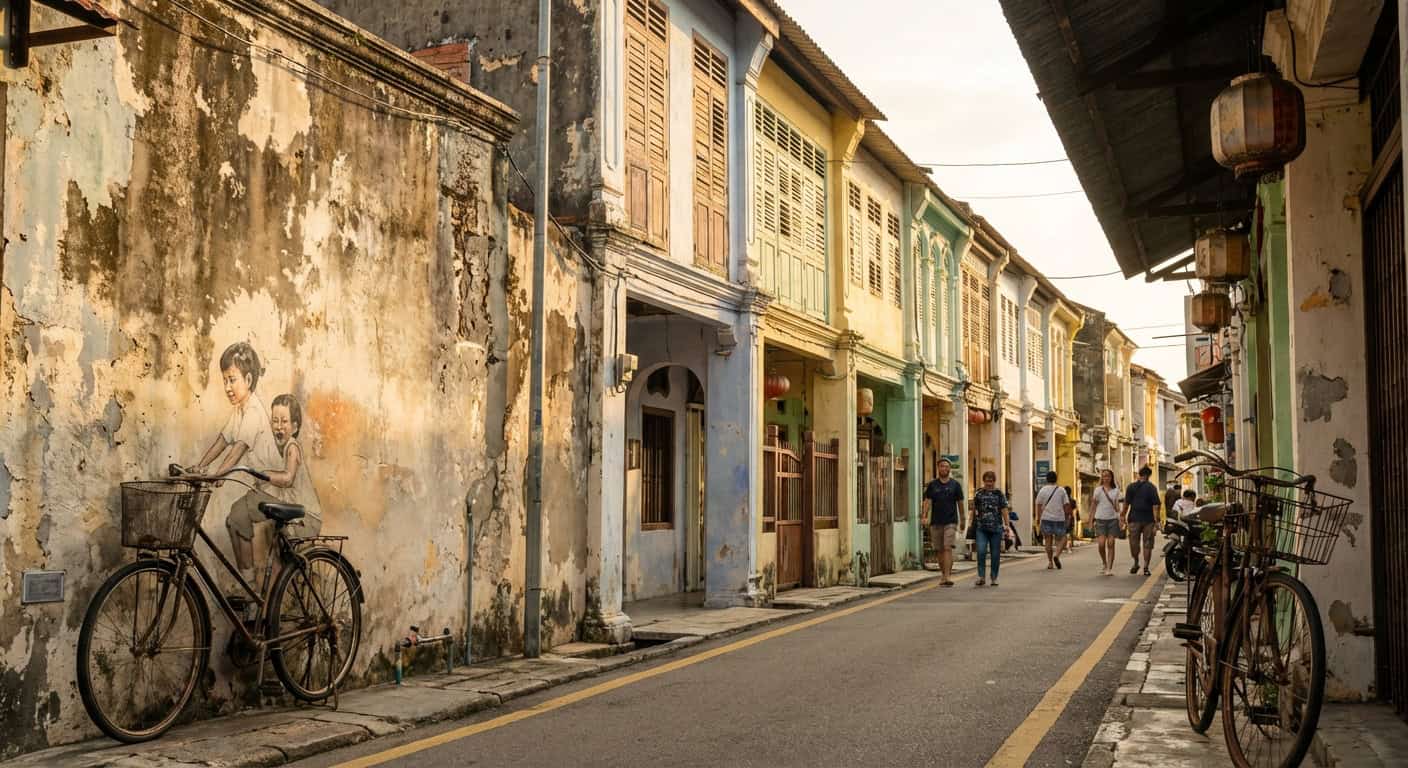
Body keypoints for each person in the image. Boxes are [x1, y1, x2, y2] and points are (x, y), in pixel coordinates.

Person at [192, 342, 282, 586]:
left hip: (275, 490)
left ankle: (249, 588)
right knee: (235, 521)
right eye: (224, 381)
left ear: (249, 379)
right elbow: (224, 440)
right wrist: (199, 466)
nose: (227, 387)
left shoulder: (254, 411)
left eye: (232, 380)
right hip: (262, 489)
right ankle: (249, 585)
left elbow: (238, 449)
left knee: (237, 517)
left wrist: (218, 474)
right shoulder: (240, 411)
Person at [922, 459, 964, 588]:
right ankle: (943, 574)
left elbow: (960, 503)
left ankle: (947, 576)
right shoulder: (932, 485)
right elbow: (927, 501)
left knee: (947, 548)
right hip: (936, 522)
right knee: (939, 550)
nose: (944, 468)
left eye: (946, 466)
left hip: (951, 521)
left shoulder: (955, 485)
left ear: (949, 469)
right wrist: (924, 516)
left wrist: (962, 519)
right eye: (941, 466)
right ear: (938, 468)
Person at [1123, 466, 1163, 576]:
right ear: (1148, 475)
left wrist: (1122, 516)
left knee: (1134, 543)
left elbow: (1126, 504)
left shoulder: (1131, 487)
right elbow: (1156, 505)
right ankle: (1146, 566)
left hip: (1134, 518)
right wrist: (1157, 520)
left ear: (1139, 474)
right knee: (1147, 544)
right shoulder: (1152, 487)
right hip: (1148, 520)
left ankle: (1136, 562)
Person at [972, 471, 1009, 587]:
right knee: (981, 552)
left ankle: (994, 577)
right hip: (981, 527)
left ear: (994, 481)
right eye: (987, 481)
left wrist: (1007, 525)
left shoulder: (999, 494)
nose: (989, 483)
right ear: (984, 481)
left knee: (995, 554)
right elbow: (974, 509)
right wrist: (970, 523)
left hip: (996, 528)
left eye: (991, 481)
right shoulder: (979, 494)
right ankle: (981, 576)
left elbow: (1004, 509)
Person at [1087, 469, 1123, 576]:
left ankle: (1109, 568)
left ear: (1111, 478)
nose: (1106, 478)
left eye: (1108, 476)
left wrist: (1120, 519)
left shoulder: (1116, 491)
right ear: (1101, 478)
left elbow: (1117, 507)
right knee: (1101, 544)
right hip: (1100, 520)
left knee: (1111, 543)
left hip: (1112, 520)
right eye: (1104, 476)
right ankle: (1104, 562)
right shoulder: (1098, 490)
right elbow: (1093, 506)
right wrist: (1090, 521)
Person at [1036, 471, 1071, 570]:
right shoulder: (1061, 490)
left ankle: (1050, 562)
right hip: (1059, 518)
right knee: (1063, 538)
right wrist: (1067, 517)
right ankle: (1057, 555)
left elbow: (1038, 505)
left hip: (1046, 518)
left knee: (1048, 540)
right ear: (1056, 479)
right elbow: (1066, 505)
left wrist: (1038, 518)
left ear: (1047, 479)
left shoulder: (1042, 490)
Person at [1062, 485, 1077, 553]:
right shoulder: (1073, 500)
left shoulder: (1062, 500)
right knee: (1070, 532)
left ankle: (1064, 546)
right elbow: (1074, 509)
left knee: (1064, 532)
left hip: (1063, 517)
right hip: (1071, 517)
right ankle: (1071, 545)